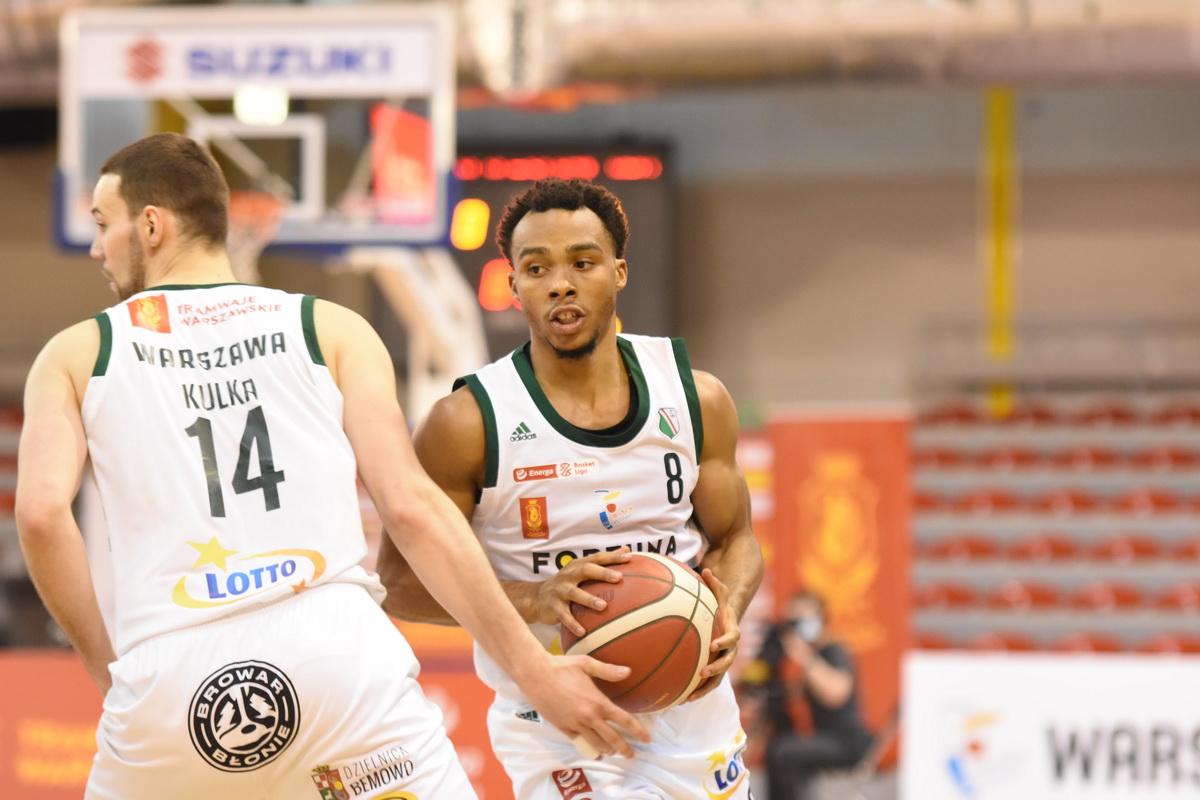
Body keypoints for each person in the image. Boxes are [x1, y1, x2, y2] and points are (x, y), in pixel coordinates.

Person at [15, 134, 647, 800]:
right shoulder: (327, 327)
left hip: (172, 680)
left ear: (151, 225)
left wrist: (109, 672)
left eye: (102, 224)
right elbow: (411, 508)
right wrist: (535, 673)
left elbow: (41, 514)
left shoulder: (78, 353)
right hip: (334, 657)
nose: (97, 247)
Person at [377, 177, 764, 799]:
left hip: (691, 706)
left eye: (582, 262)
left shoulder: (696, 398)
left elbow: (736, 539)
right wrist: (532, 599)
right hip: (556, 718)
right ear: (514, 286)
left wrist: (727, 611)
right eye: (537, 268)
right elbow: (399, 583)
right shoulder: (467, 423)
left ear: (619, 272)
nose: (561, 283)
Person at [760, 591, 873, 800]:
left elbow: (836, 694)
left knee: (785, 752)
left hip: (847, 741)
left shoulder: (833, 650)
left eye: (803, 619)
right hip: (823, 736)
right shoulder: (806, 656)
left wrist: (805, 657)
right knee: (777, 749)